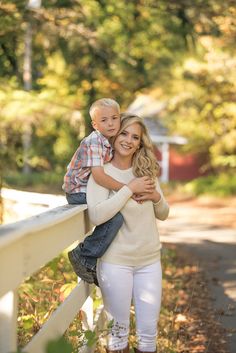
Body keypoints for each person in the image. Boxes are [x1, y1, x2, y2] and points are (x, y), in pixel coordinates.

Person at [86, 114, 169, 353]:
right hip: (116, 262)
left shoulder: (145, 171)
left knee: (148, 335)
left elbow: (163, 213)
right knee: (118, 333)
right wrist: (128, 189)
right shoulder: (100, 173)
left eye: (135, 137)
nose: (128, 140)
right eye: (124, 133)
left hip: (149, 261)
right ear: (114, 135)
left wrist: (156, 197)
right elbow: (97, 215)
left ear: (140, 143)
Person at [62, 98, 155, 285]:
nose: (111, 123)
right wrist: (128, 189)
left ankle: (97, 257)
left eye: (114, 118)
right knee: (115, 216)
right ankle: (83, 254)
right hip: (78, 191)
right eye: (104, 120)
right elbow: (99, 176)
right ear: (95, 124)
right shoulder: (95, 141)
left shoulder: (107, 141)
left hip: (88, 189)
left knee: (117, 208)